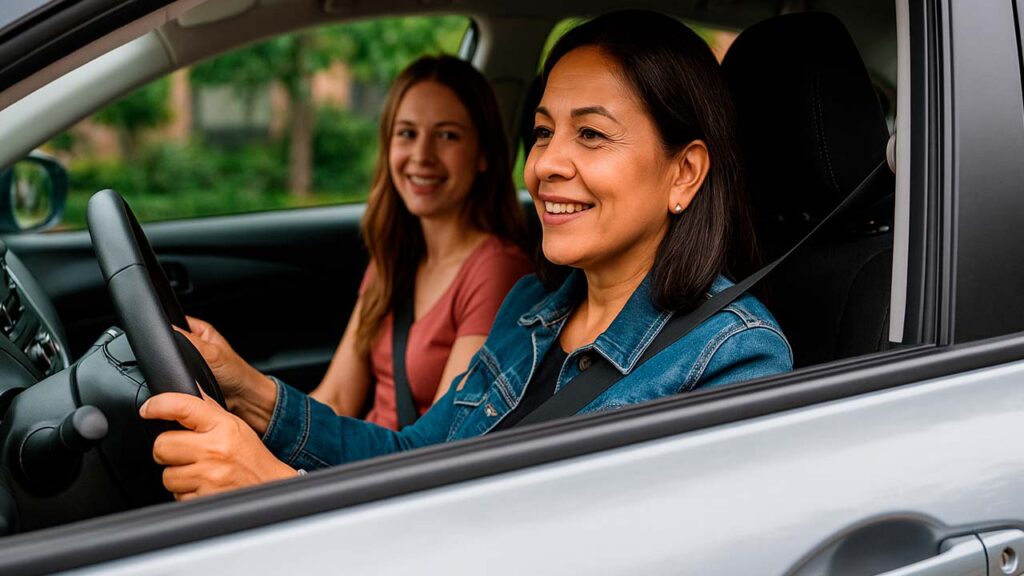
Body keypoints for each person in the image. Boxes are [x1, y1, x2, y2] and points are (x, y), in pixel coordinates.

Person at [140, 10, 793, 500]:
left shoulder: (734, 357)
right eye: (541, 133)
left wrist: (270, 486)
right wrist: (247, 390)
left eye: (591, 134)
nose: (545, 165)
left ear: (685, 174)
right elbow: (409, 458)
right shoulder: (529, 313)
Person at [187, 55, 534, 432]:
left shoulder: (497, 269)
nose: (421, 156)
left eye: (447, 135)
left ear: (483, 154)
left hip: (393, 477)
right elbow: (335, 398)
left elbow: (440, 440)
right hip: (354, 462)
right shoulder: (394, 258)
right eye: (406, 133)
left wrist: (248, 390)